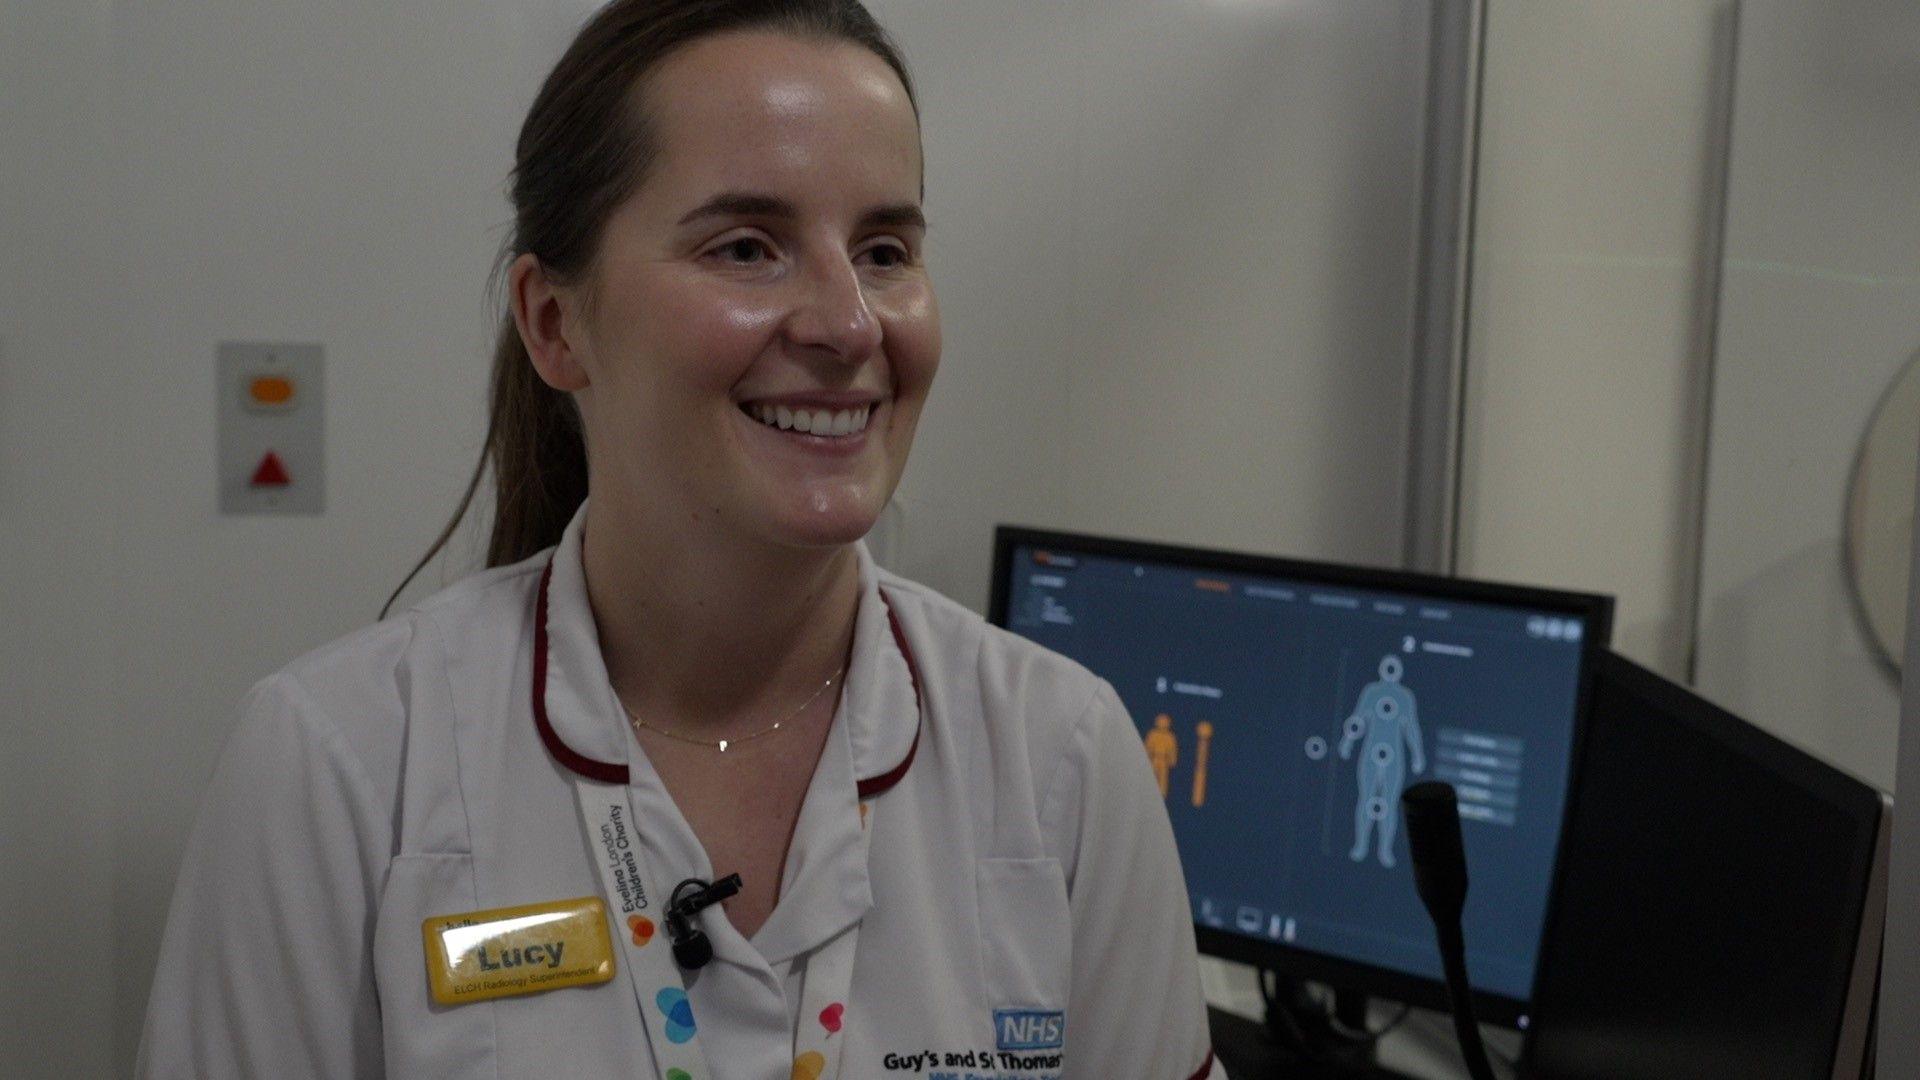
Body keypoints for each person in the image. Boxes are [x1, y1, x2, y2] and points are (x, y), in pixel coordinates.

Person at [137, 2, 1222, 1077]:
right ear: (556, 323)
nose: (849, 325)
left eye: (885, 249)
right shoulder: (339, 769)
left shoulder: (1063, 760)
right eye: (748, 247)